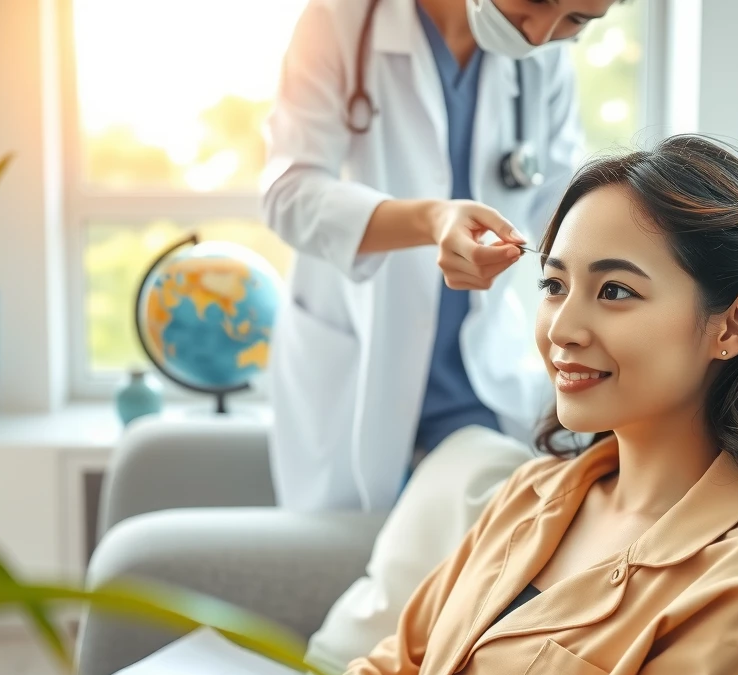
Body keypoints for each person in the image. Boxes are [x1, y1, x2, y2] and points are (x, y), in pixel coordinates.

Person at [136, 135, 738, 675]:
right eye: (554, 284)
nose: (562, 328)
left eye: (615, 291)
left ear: (732, 325)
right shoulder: (539, 492)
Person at [265, 0, 620, 512]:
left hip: (475, 378)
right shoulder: (341, 19)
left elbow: (563, 210)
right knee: (363, 547)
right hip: (357, 367)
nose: (541, 34)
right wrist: (431, 220)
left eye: (578, 21)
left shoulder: (544, 61)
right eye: (537, 1)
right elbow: (288, 195)